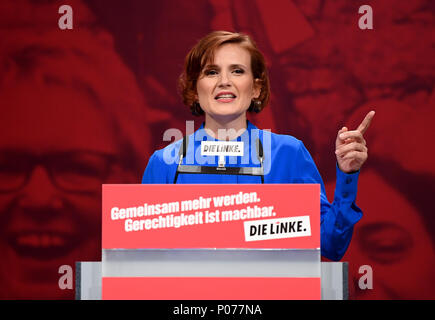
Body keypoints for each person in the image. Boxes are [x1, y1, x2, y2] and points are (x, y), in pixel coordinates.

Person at [142, 31, 375, 261]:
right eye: (212, 72)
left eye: (237, 71)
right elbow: (143, 261)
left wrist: (347, 174)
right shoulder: (164, 163)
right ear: (194, 90)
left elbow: (330, 244)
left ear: (256, 89)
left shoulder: (288, 155)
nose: (224, 81)